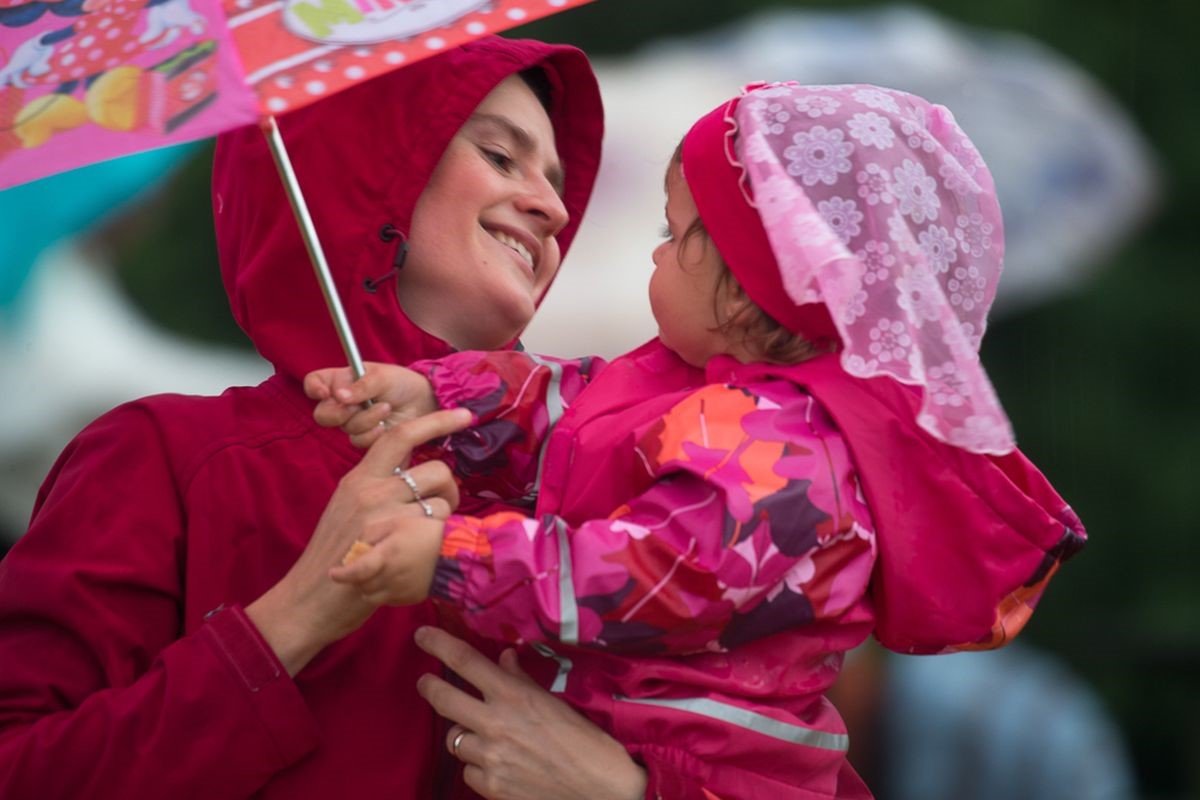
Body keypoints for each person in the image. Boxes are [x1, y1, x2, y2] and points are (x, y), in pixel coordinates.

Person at [306, 82, 1088, 799]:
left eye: (673, 230)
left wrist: (456, 560)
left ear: (753, 283)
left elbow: (655, 577)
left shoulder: (789, 454)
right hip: (625, 734)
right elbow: (571, 408)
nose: (653, 251)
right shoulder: (704, 390)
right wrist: (441, 398)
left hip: (696, 763)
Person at [0, 35, 644, 799]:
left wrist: (626, 791)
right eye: (501, 159)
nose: (555, 207)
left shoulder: (609, 494)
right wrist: (298, 615)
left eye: (556, 179)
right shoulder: (165, 456)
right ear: (366, 166)